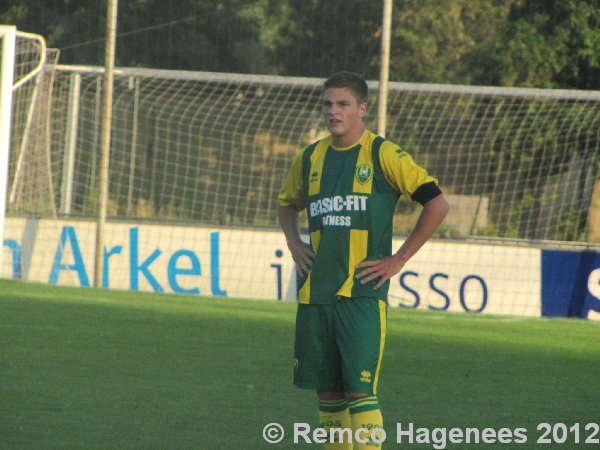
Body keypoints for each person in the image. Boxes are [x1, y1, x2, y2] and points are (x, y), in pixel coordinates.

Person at [277, 71, 449, 449]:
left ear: (362, 109)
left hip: (362, 292)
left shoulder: (383, 153)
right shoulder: (310, 157)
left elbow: (437, 202)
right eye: (327, 104)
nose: (333, 112)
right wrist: (294, 243)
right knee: (327, 394)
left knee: (360, 390)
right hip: (315, 293)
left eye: (342, 104)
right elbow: (287, 204)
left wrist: (398, 259)